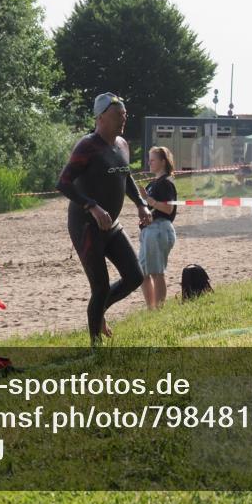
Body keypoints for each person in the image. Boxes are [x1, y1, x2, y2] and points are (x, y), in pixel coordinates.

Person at [57, 93, 150, 345]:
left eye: (124, 114)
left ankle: (99, 312)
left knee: (135, 276)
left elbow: (125, 176)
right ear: (100, 117)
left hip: (111, 226)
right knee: (100, 286)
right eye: (117, 114)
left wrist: (140, 204)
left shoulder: (122, 144)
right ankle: (95, 346)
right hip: (86, 226)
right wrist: (92, 207)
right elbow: (63, 183)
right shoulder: (87, 146)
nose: (124, 118)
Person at [138, 146, 178, 310]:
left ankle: (158, 309)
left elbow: (168, 209)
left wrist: (148, 200)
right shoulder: (153, 183)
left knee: (156, 272)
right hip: (149, 230)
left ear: (163, 162)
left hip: (159, 228)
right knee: (142, 273)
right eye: (149, 159)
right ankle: (151, 308)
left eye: (153, 160)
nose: (149, 163)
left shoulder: (166, 182)